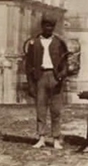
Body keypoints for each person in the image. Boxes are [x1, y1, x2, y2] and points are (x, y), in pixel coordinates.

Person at [23, 15, 71, 149]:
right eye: (46, 26)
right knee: (41, 109)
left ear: (53, 27)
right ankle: (41, 138)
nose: (48, 28)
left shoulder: (59, 43)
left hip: (55, 78)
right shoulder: (34, 43)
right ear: (42, 26)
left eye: (51, 26)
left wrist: (61, 76)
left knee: (56, 110)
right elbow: (28, 65)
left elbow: (65, 62)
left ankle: (56, 138)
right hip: (40, 77)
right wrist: (31, 83)